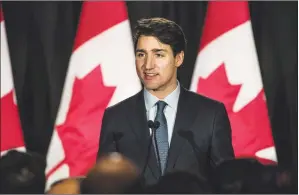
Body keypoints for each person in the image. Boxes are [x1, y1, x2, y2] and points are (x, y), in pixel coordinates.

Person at [97, 17, 234, 186]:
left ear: (178, 58)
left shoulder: (211, 114)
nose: (148, 65)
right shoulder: (116, 116)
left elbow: (227, 183)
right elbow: (104, 184)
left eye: (159, 55)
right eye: (141, 54)